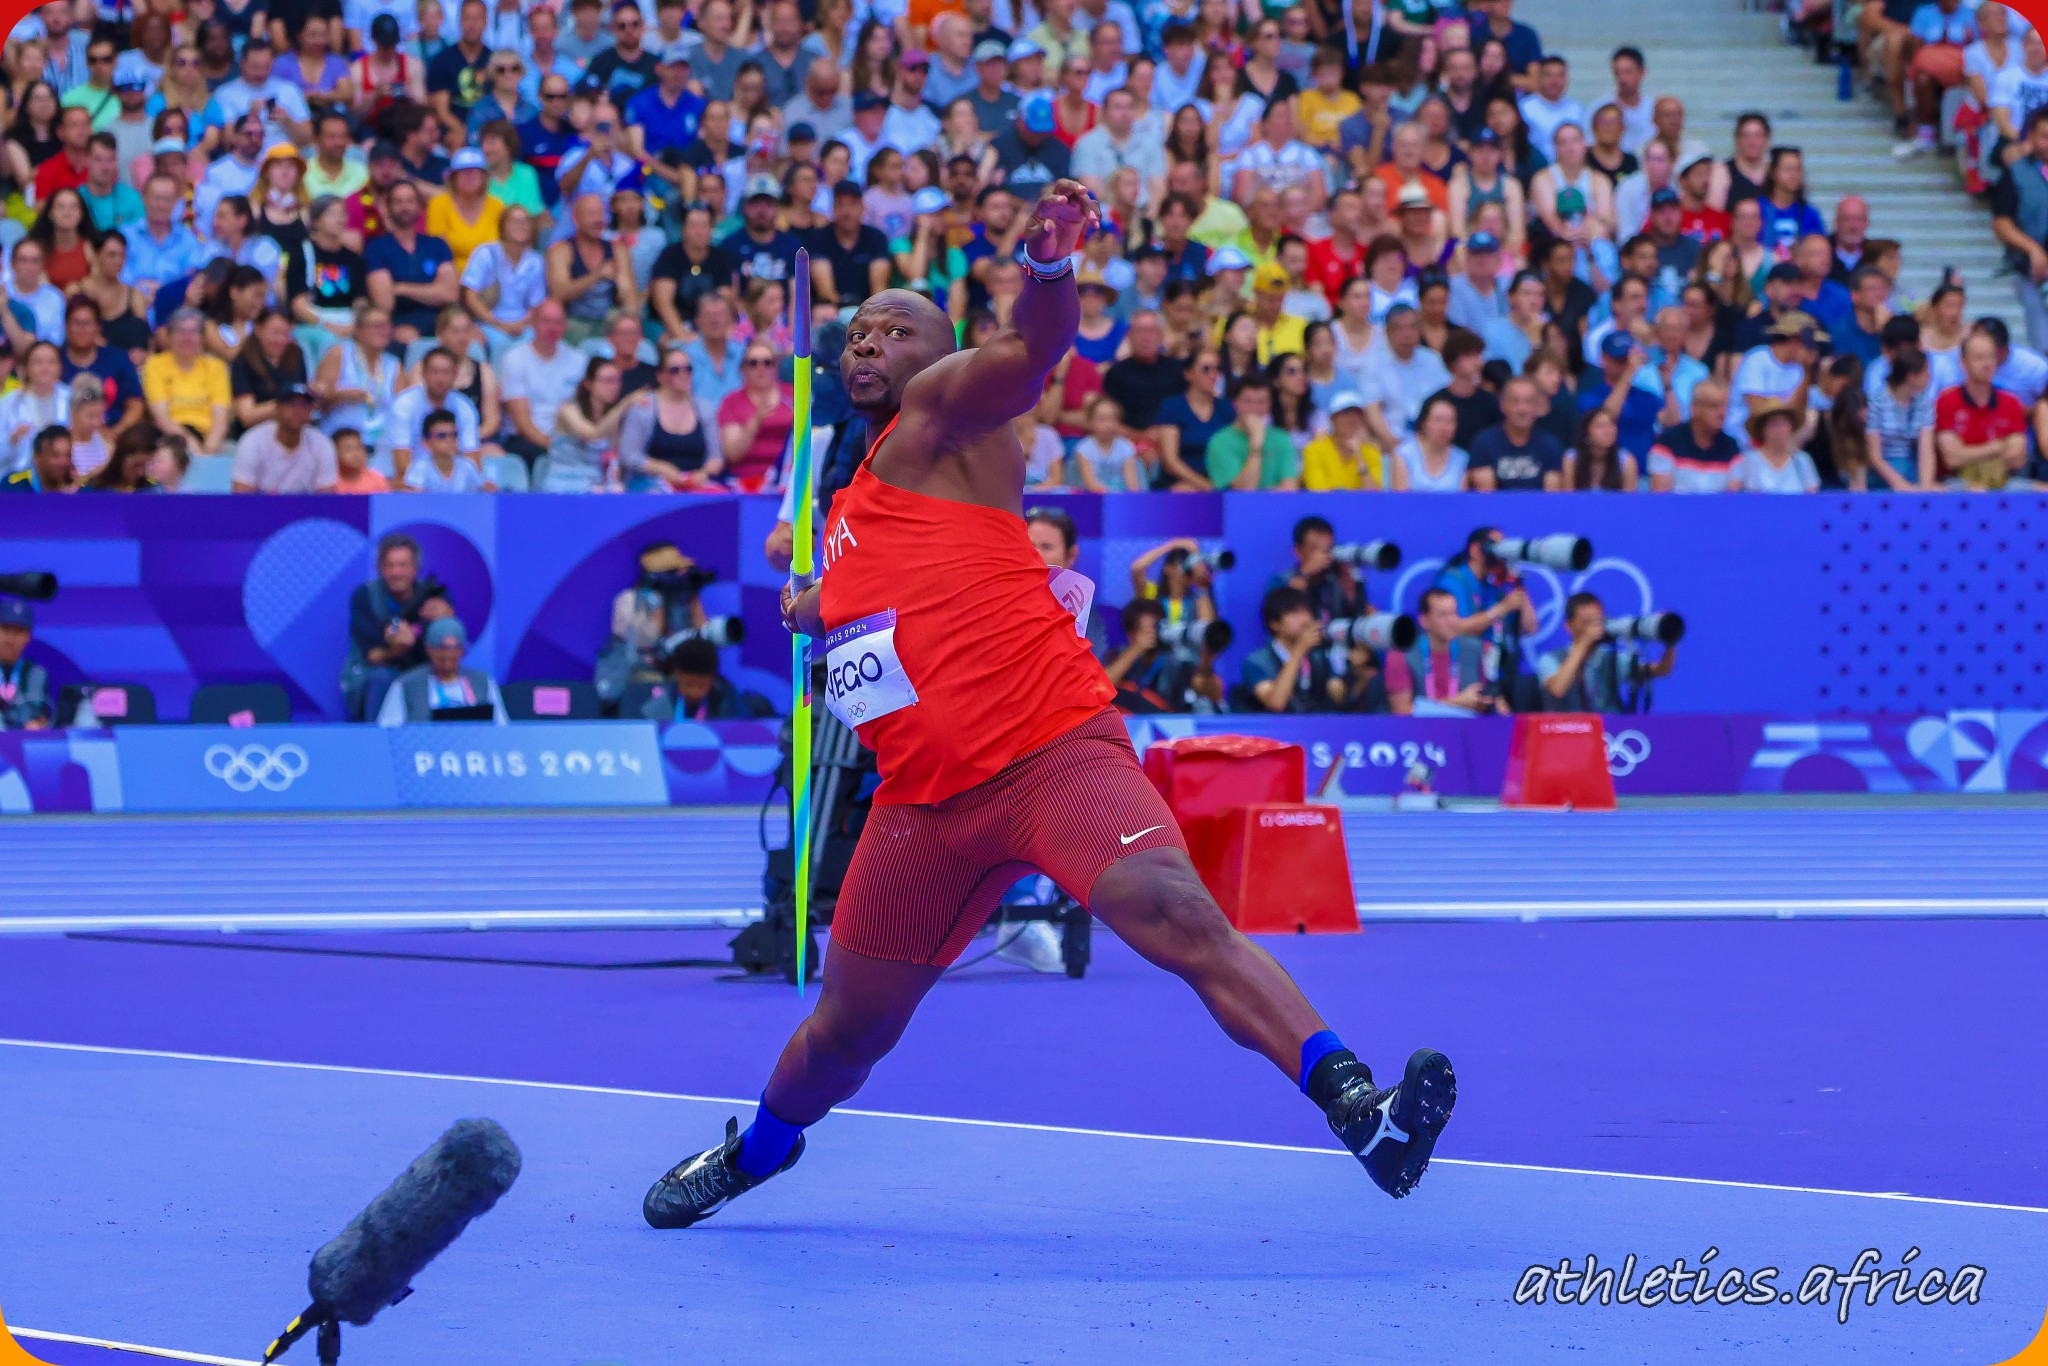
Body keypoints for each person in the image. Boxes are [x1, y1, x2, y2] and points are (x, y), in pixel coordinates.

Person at [642, 181, 1455, 1230]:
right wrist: (806, 600)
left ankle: (1360, 1108)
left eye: (893, 330)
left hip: (1049, 755)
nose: (866, 343)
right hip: (923, 807)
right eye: (855, 333)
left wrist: (1050, 266)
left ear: (936, 355)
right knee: (845, 1034)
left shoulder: (947, 415)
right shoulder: (850, 506)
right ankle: (751, 1151)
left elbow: (1029, 353)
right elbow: (851, 611)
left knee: (1172, 911)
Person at [1538, 592, 1674, 714]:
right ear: (1569, 626)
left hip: (1611, 733)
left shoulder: (1610, 658)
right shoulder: (1550, 659)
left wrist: (1670, 640)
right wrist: (1583, 644)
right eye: (1587, 622)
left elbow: (1661, 670)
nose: (1594, 627)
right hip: (1569, 733)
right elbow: (1557, 689)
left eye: (1598, 621)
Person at [1386, 587, 1501, 717]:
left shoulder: (1478, 649)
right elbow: (1402, 712)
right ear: (1424, 621)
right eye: (1443, 615)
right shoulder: (1401, 655)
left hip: (1468, 732)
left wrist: (1489, 703)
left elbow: (1493, 701)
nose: (1452, 621)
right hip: (1420, 734)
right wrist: (1458, 702)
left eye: (1454, 613)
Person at [376, 616, 508, 724]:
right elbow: (387, 730)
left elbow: (501, 728)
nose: (447, 655)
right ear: (428, 649)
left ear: (462, 651)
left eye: (454, 648)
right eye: (441, 648)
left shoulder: (483, 682)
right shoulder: (406, 685)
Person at [1240, 585, 1340, 714]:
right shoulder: (1256, 662)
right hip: (1276, 731)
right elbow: (1276, 703)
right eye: (1294, 613)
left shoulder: (1319, 657)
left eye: (1307, 611)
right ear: (1274, 623)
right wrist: (1298, 651)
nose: (1305, 619)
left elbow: (1338, 699)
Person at [231, 383, 339, 492]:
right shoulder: (253, 441)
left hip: (306, 508)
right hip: (261, 507)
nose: (297, 410)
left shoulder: (321, 444)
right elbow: (241, 497)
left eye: (304, 405)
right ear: (277, 407)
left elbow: (326, 499)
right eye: (290, 403)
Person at [0, 597, 54, 729]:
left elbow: (43, 715)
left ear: (28, 636)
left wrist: (39, 724)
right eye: (6, 629)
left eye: (18, 631)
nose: (10, 639)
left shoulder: (38, 675)